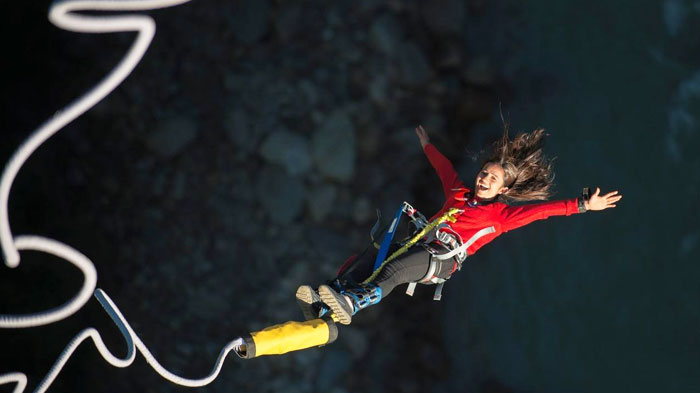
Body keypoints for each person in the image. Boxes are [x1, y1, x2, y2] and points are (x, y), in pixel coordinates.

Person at [296, 125, 622, 325]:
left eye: (492, 179)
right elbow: (444, 167)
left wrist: (582, 205)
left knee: (393, 272)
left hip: (443, 260)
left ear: (503, 190)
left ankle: (352, 303)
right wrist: (427, 145)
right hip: (423, 242)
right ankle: (331, 295)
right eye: (484, 173)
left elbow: (542, 212)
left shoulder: (500, 217)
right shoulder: (459, 192)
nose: (484, 179)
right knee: (372, 254)